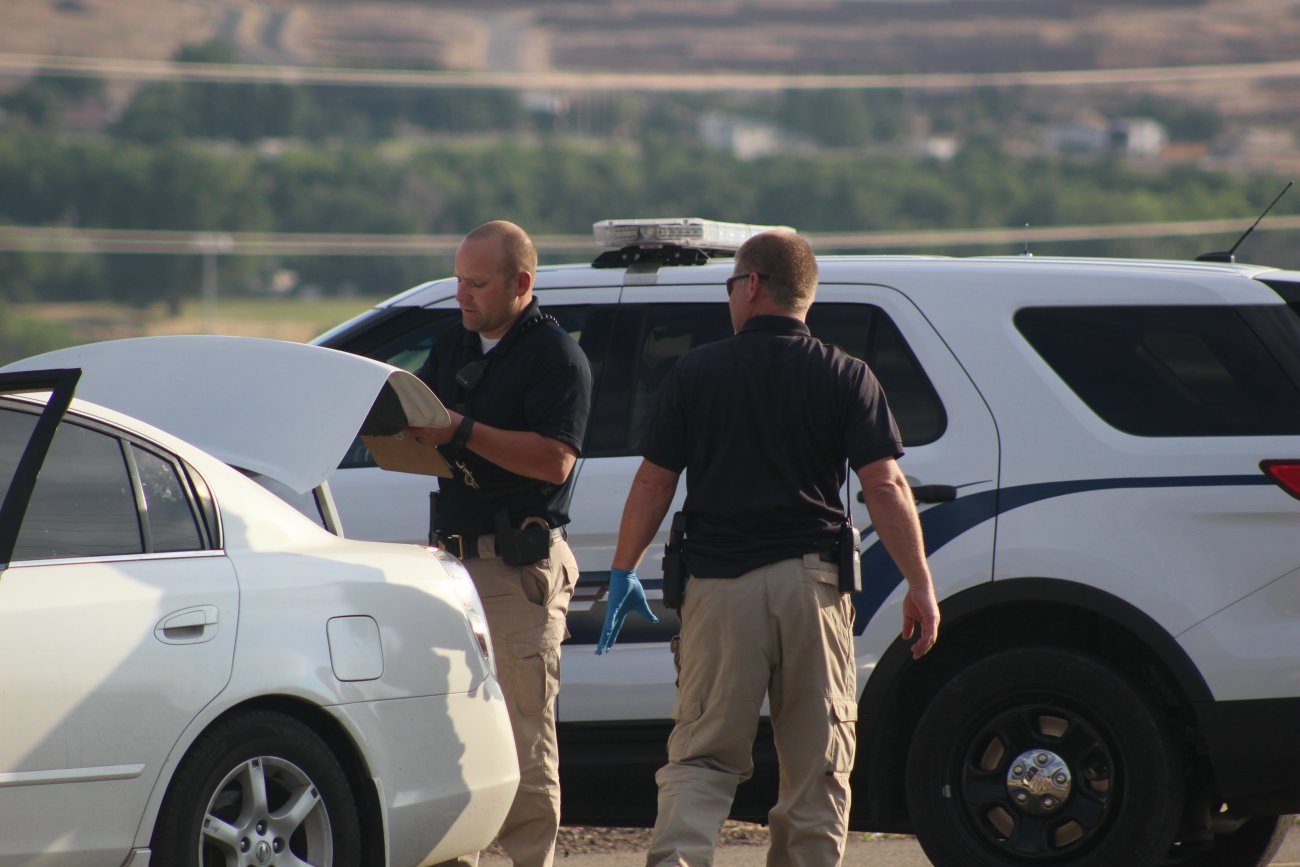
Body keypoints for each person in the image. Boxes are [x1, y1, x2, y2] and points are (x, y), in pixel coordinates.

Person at [598, 229, 940, 867]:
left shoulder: (696, 372)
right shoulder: (847, 374)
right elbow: (885, 485)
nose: (728, 297)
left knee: (702, 756)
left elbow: (654, 482)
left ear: (753, 285)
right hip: (812, 588)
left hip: (720, 590)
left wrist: (623, 570)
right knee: (817, 766)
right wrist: (920, 584)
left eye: (730, 284)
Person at [409, 220, 593, 867]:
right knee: (453, 728)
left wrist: (461, 430)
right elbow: (425, 421)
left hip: (516, 569)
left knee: (522, 733)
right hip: (451, 565)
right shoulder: (453, 345)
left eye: (478, 284)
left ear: (521, 283)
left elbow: (553, 460)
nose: (464, 296)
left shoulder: (555, 357)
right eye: (459, 281)